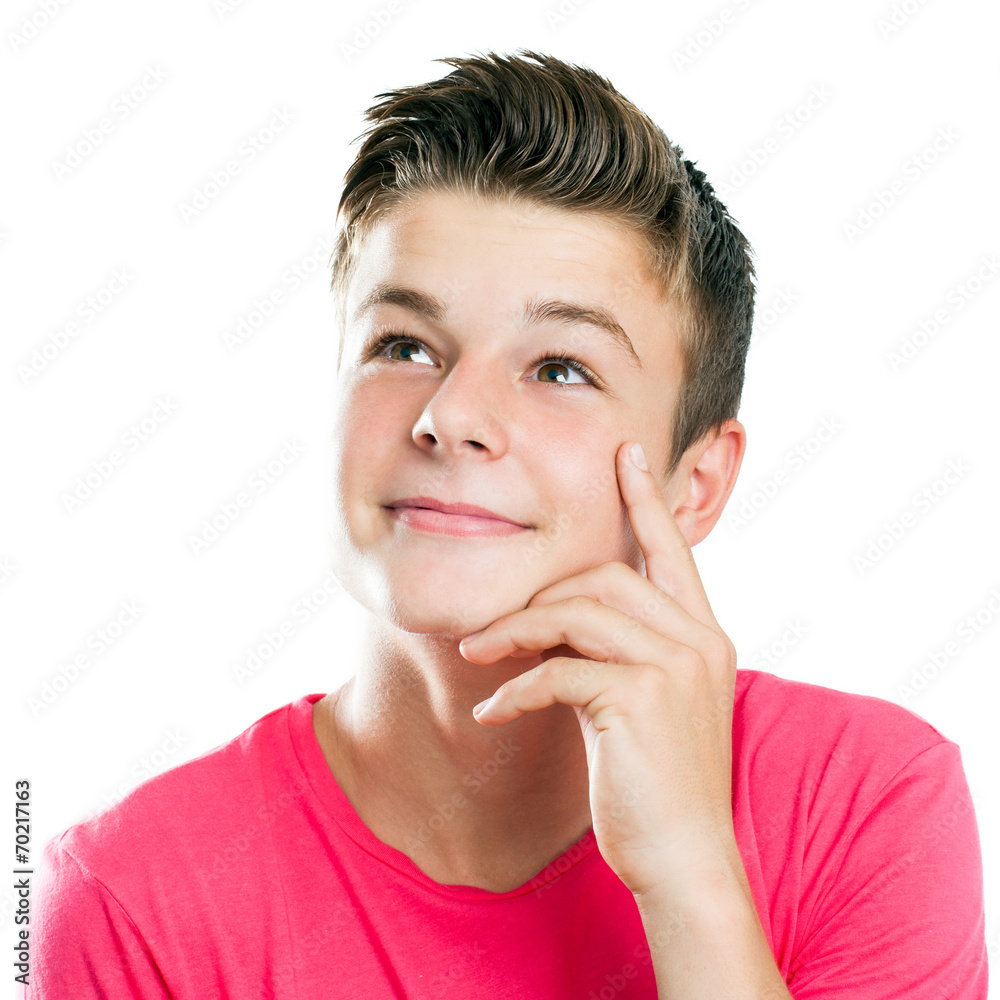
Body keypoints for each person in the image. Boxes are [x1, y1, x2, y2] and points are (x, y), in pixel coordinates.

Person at [26, 49, 988, 998]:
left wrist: (693, 874)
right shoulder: (132, 901)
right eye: (402, 345)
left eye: (560, 368)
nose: (450, 414)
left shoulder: (867, 803)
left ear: (696, 482)